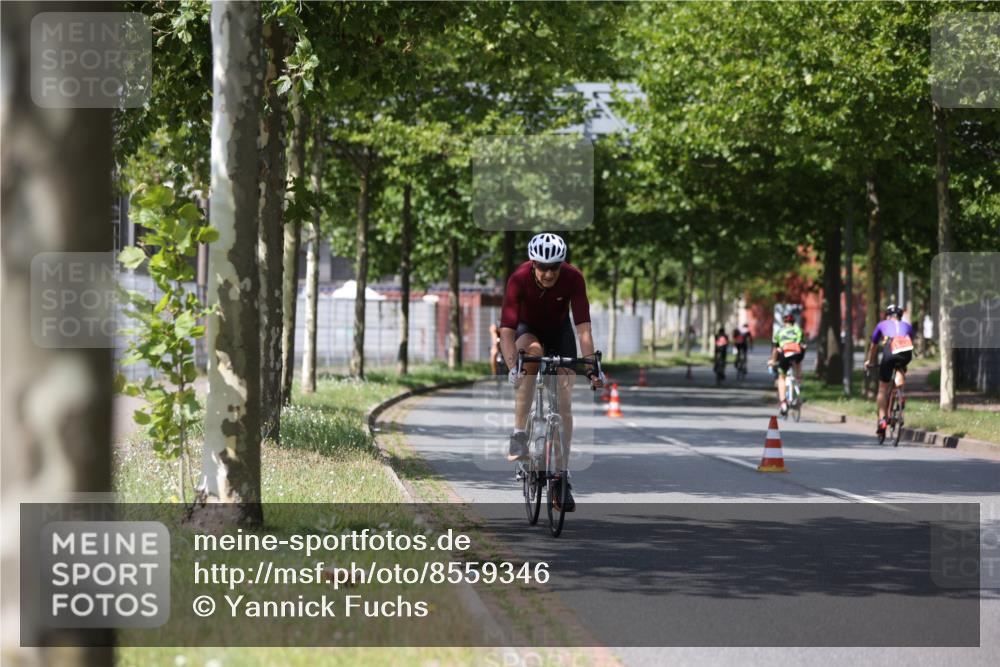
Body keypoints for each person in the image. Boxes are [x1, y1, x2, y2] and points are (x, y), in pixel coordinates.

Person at [499, 232, 604, 512]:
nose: (548, 274)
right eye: (542, 267)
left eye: (554, 267)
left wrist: (592, 366)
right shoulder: (518, 278)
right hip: (527, 329)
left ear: (562, 264)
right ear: (533, 263)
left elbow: (583, 328)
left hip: (560, 333)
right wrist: (513, 367)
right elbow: (507, 331)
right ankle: (520, 432)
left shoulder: (573, 278)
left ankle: (561, 476)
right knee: (530, 357)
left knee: (565, 399)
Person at [864, 304, 914, 436]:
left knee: (882, 388)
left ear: (887, 315)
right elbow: (910, 342)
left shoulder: (881, 325)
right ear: (900, 316)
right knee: (900, 366)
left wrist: (870, 361)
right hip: (906, 352)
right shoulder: (908, 326)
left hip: (890, 350)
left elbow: (873, 346)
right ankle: (900, 393)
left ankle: (882, 420)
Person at [767, 312, 805, 415]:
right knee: (798, 360)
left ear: (784, 322)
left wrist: (773, 361)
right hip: (797, 353)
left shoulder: (779, 332)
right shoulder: (798, 329)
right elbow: (801, 343)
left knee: (781, 376)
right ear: (793, 322)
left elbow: (775, 350)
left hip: (785, 353)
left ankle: (783, 402)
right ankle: (798, 379)